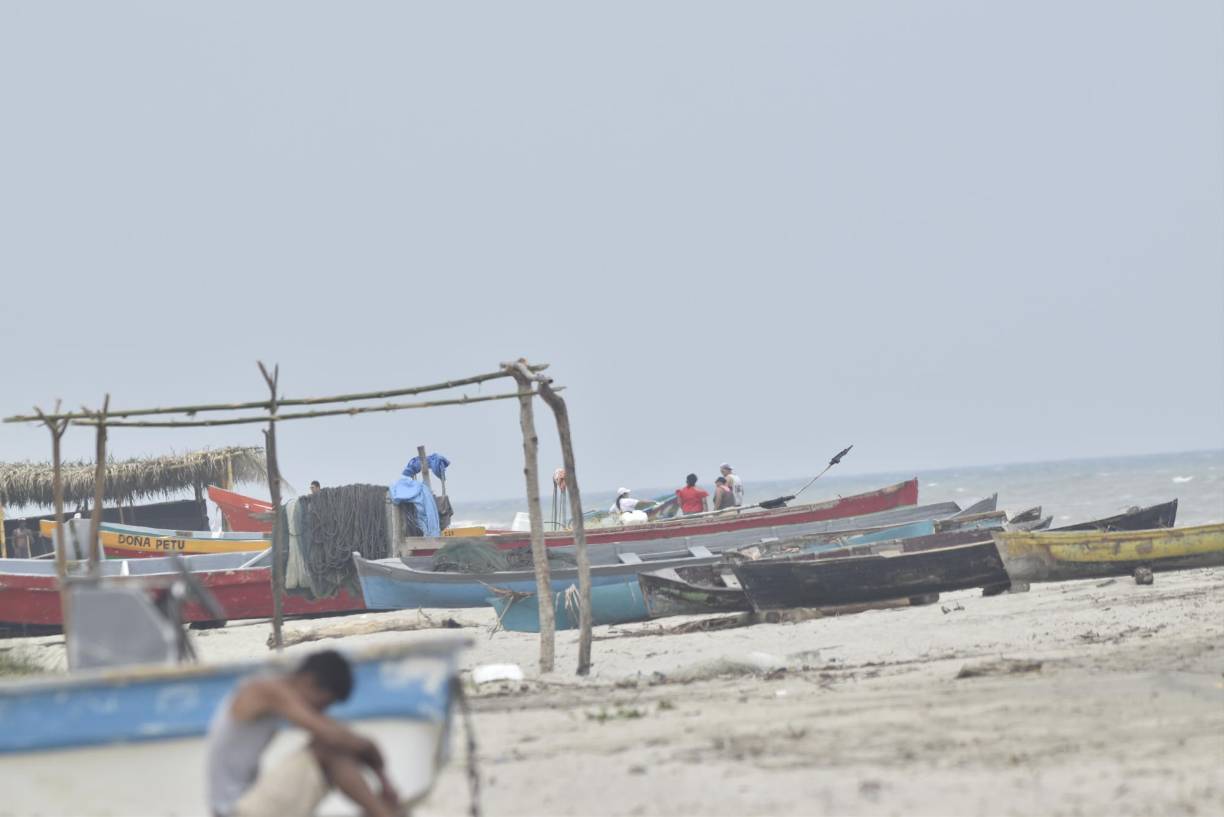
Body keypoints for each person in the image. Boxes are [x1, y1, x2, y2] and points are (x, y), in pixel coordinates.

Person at [205, 650, 398, 817]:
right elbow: (335, 736)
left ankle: (380, 811)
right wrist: (372, 752)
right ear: (309, 681)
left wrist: (383, 779)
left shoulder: (277, 694)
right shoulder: (266, 691)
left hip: (247, 806)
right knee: (328, 748)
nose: (321, 712)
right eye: (323, 703)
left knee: (332, 746)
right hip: (235, 811)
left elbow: (343, 736)